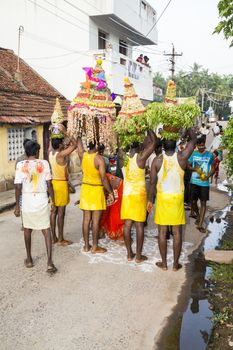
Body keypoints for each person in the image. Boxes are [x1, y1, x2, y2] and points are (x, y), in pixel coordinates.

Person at [147, 128, 196, 271]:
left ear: (162, 145)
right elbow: (193, 140)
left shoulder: (157, 160)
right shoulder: (181, 157)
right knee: (177, 233)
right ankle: (175, 265)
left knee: (162, 232)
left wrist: (150, 200)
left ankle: (164, 264)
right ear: (175, 144)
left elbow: (152, 183)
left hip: (162, 199)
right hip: (177, 199)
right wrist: (186, 129)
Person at [14, 140, 57, 274]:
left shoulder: (20, 165)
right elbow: (49, 185)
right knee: (46, 231)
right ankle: (49, 263)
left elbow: (17, 186)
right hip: (42, 200)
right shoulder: (43, 163)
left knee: (27, 230)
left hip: (27, 201)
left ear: (26, 152)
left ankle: (29, 259)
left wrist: (17, 206)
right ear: (37, 152)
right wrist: (53, 202)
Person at [121, 130, 156, 263]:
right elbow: (154, 142)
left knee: (127, 225)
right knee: (139, 225)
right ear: (140, 144)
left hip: (127, 195)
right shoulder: (141, 157)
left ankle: (129, 254)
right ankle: (138, 256)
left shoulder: (123, 156)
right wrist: (147, 126)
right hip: (138, 195)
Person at [76, 138, 114, 253]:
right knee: (95, 221)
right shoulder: (99, 159)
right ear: (97, 145)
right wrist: (111, 192)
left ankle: (86, 246)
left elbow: (78, 142)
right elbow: (103, 178)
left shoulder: (83, 155)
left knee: (86, 220)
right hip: (96, 190)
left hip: (86, 189)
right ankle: (94, 247)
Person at [49, 135, 77, 245]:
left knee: (53, 211)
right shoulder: (60, 155)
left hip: (53, 183)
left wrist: (64, 143)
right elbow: (74, 145)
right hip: (61, 185)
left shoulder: (51, 153)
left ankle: (53, 237)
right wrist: (68, 134)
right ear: (60, 145)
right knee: (61, 213)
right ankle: (60, 239)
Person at [188, 137, 215, 233]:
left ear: (204, 144)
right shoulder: (194, 154)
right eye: (199, 146)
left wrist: (208, 176)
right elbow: (188, 165)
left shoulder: (210, 155)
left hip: (204, 183)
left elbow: (213, 167)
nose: (201, 147)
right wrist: (195, 169)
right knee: (193, 202)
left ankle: (200, 225)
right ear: (197, 146)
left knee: (203, 203)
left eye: (202, 145)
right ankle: (198, 216)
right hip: (194, 182)